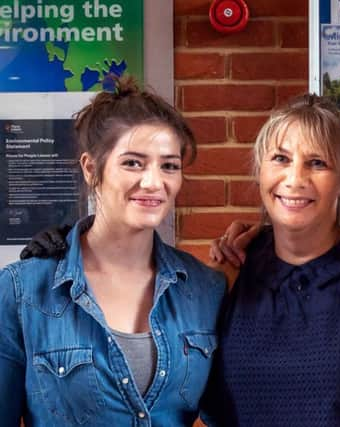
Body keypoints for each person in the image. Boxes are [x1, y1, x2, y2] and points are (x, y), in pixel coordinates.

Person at [1, 76, 226, 426]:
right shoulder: (22, 291)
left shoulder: (206, 289)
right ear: (92, 168)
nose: (153, 182)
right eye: (133, 163)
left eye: (169, 165)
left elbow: (232, 412)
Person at [202, 94, 340, 426]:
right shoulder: (229, 272)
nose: (295, 179)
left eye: (317, 162)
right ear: (260, 169)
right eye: (280, 158)